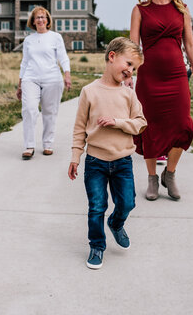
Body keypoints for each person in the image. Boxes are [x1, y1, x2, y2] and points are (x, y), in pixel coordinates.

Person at [68, 37, 147, 269]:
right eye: (129, 64)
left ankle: (116, 222)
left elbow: (141, 123)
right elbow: (79, 128)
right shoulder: (89, 92)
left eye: (134, 68)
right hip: (96, 162)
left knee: (128, 203)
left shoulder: (128, 95)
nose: (131, 71)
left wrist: (118, 122)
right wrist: (75, 157)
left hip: (122, 161)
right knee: (97, 207)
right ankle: (97, 246)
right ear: (112, 57)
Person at [130, 0, 193, 201]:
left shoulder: (182, 8)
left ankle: (169, 174)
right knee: (149, 127)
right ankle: (152, 178)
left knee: (183, 125)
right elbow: (132, 47)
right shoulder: (140, 10)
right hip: (149, 77)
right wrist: (128, 75)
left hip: (176, 76)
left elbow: (190, 44)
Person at [16, 6, 72, 160]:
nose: (40, 20)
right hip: (31, 78)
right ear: (33, 22)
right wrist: (20, 84)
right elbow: (25, 62)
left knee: (49, 112)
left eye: (43, 17)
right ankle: (29, 146)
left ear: (47, 20)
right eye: (37, 17)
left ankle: (48, 144)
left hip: (52, 79)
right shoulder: (28, 40)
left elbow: (63, 57)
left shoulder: (55, 37)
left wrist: (67, 75)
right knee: (29, 109)